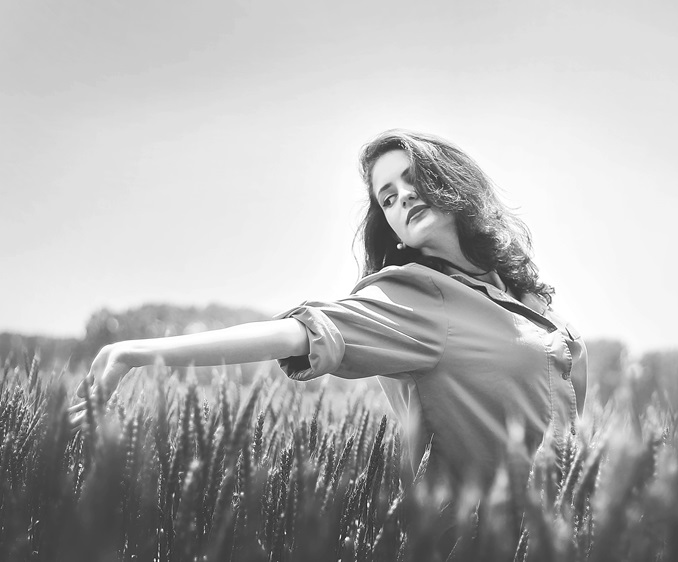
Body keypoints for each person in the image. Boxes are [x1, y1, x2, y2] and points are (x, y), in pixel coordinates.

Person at [69, 129, 588, 491]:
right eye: (388, 198)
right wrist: (133, 353)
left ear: (452, 180)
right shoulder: (418, 296)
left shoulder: (525, 297)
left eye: (412, 179)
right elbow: (302, 332)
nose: (403, 197)